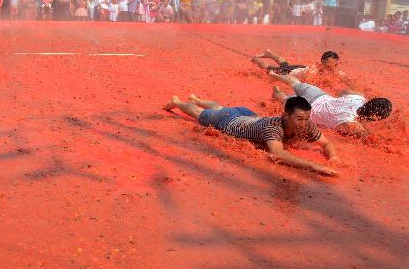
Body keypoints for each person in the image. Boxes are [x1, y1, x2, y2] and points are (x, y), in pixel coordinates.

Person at [163, 94, 339, 176]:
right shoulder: (274, 128)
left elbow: (326, 143)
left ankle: (199, 99)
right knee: (199, 114)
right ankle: (179, 102)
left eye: (307, 118)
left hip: (249, 115)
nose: (304, 123)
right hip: (230, 121)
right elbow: (278, 154)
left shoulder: (306, 124)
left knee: (219, 108)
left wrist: (334, 156)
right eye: (299, 119)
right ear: (285, 115)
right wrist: (312, 166)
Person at [269, 73, 392, 138]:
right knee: (285, 98)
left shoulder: (359, 97)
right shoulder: (352, 124)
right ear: (375, 117)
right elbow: (370, 138)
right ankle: (276, 91)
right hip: (308, 110)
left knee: (296, 82)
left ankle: (274, 74)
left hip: (319, 96)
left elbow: (343, 92)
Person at [251, 49, 347, 81]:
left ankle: (269, 53)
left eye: (335, 64)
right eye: (331, 64)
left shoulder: (335, 70)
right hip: (290, 72)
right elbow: (306, 84)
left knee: (284, 64)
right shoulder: (314, 71)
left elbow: (347, 80)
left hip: (300, 68)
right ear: (323, 62)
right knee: (269, 69)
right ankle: (256, 59)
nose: (334, 66)